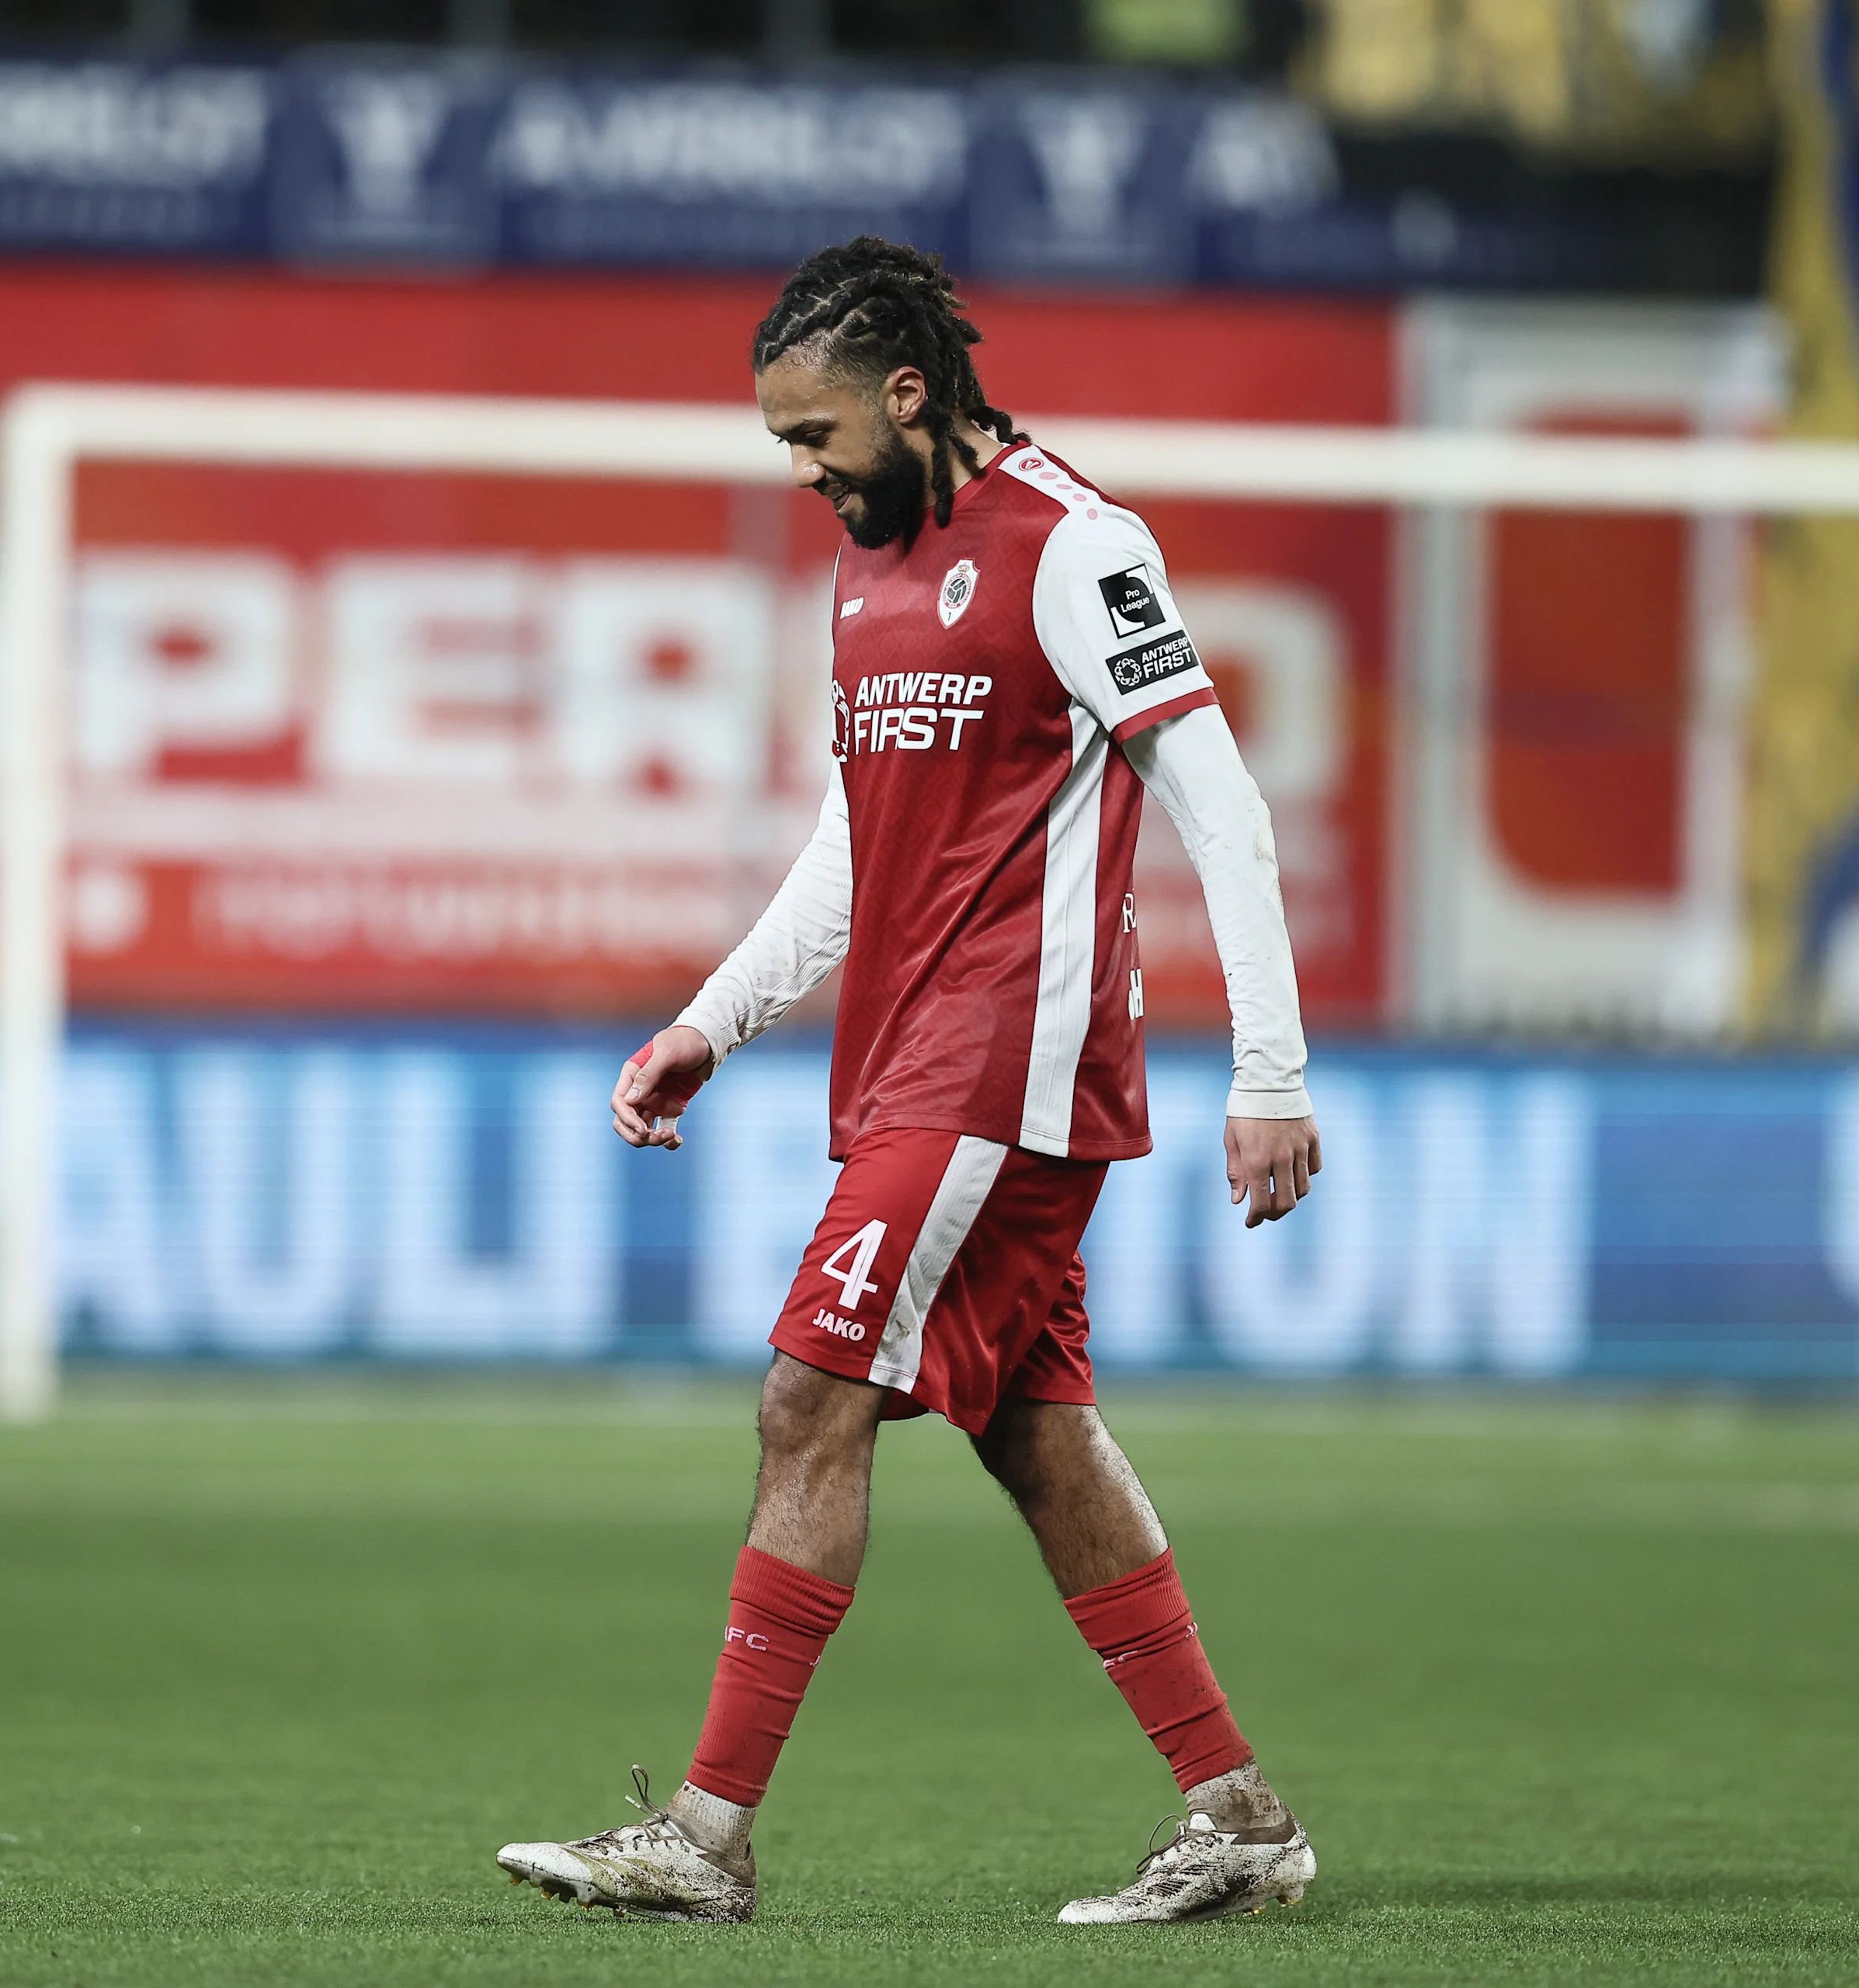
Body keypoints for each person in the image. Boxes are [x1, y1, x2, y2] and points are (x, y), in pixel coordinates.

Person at [494, 237, 1323, 1928]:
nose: (801, 475)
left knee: (809, 1397)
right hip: (908, 1065)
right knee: (1038, 1433)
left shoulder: (1075, 543)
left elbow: (1222, 807)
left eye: (815, 438)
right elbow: (855, 850)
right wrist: (710, 1021)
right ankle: (1237, 1812)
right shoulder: (866, 580)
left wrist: (1271, 1069)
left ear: (906, 390)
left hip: (1006, 1064)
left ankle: (706, 1836)